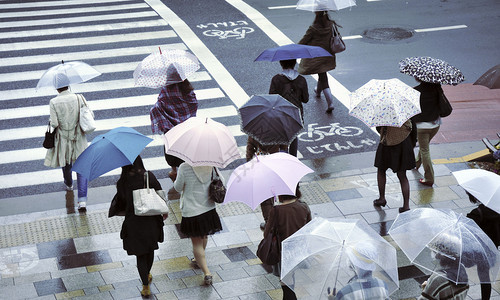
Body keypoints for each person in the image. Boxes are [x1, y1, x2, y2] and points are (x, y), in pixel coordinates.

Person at [115, 156, 166, 297]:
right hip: (151, 220)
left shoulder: (122, 182)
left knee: (140, 254)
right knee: (150, 249)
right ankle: (148, 273)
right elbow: (160, 193)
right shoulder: (147, 176)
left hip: (133, 222)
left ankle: (145, 285)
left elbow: (121, 203)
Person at [44, 73, 89, 211]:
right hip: (78, 138)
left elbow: (55, 123)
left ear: (57, 88)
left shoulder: (54, 102)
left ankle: (69, 184)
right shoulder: (78, 98)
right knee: (81, 167)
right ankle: (82, 202)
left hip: (63, 139)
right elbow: (87, 115)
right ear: (68, 85)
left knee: (66, 163)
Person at [173, 162, 223, 285]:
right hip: (208, 208)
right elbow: (222, 180)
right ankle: (199, 258)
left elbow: (177, 188)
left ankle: (207, 273)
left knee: (196, 243)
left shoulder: (184, 167)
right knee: (204, 235)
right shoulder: (211, 163)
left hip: (192, 210)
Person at [150, 67, 198, 182]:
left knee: (172, 150)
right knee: (187, 151)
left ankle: (174, 171)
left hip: (171, 129)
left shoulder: (166, 91)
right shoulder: (187, 90)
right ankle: (187, 169)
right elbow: (194, 103)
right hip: (187, 128)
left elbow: (159, 106)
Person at [263, 186, 312, 300]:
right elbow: (309, 228)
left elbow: (267, 234)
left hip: (283, 251)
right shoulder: (304, 206)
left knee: (286, 284)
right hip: (299, 249)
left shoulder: (276, 211)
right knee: (290, 279)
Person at [373, 119, 417, 213]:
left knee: (381, 170)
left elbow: (378, 128)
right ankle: (406, 206)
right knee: (402, 175)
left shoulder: (383, 111)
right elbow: (413, 129)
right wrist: (412, 143)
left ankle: (382, 198)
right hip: (403, 144)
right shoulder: (405, 110)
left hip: (386, 144)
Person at [297, 11, 337, 113]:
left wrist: (295, 47)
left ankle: (330, 102)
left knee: (323, 77)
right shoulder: (331, 24)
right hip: (328, 54)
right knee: (322, 74)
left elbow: (304, 41)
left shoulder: (313, 28)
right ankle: (318, 91)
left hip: (316, 57)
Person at [269, 59, 309, 157]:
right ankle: (293, 158)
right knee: (293, 137)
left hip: (280, 113)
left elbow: (272, 97)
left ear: (281, 63)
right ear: (294, 63)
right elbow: (305, 99)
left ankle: (283, 157)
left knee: (282, 137)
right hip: (296, 113)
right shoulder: (301, 80)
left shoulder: (276, 79)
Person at [246, 136, 288, 230]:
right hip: (275, 163)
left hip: (260, 165)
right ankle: (275, 220)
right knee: (274, 189)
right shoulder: (278, 127)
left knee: (265, 196)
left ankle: (269, 222)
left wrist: (249, 165)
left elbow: (250, 149)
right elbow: (284, 147)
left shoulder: (254, 128)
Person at [466, 192, 500, 300]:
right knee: (485, 277)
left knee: (484, 277)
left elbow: (468, 230)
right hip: (494, 246)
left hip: (481, 250)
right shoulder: (496, 210)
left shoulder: (477, 213)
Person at [411, 78, 442, 187]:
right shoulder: (437, 89)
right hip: (435, 125)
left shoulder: (415, 91)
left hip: (421, 127)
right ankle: (416, 163)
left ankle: (429, 178)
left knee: (424, 149)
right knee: (424, 145)